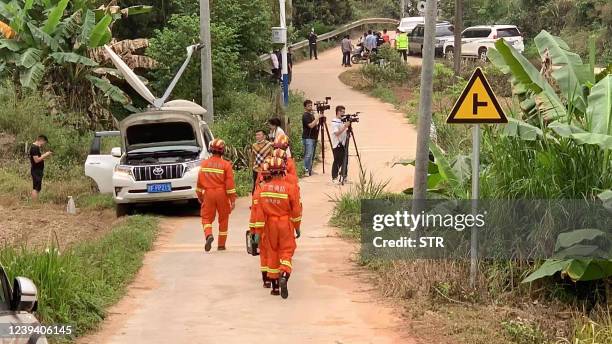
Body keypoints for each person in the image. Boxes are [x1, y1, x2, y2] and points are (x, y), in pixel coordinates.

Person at [253, 157, 302, 298]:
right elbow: (296, 211)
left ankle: (274, 288)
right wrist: (297, 227)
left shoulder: (263, 189)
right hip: (285, 223)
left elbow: (259, 214)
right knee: (287, 251)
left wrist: (257, 233)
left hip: (270, 225)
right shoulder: (290, 188)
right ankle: (284, 275)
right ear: (282, 172)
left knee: (272, 253)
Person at [196, 139, 237, 252]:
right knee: (223, 219)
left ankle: (209, 235)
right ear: (223, 151)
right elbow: (229, 184)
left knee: (206, 218)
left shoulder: (204, 164)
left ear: (210, 150)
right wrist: (232, 200)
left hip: (208, 193)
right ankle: (221, 245)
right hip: (222, 194)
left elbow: (199, 183)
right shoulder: (226, 165)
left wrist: (200, 196)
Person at [330, 106, 350, 184]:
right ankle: (334, 178)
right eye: (342, 112)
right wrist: (345, 126)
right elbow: (337, 133)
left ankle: (344, 176)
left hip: (344, 143)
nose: (343, 113)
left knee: (345, 161)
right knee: (337, 161)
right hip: (337, 144)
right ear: (338, 112)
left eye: (344, 112)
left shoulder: (342, 121)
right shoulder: (334, 122)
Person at [29, 135, 51, 200]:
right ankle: (34, 203)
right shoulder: (34, 148)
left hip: (38, 170)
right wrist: (46, 154)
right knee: (36, 188)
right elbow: (36, 160)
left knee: (37, 187)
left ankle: (35, 202)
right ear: (41, 140)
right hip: (36, 170)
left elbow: (38, 158)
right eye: (44, 142)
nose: (44, 144)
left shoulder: (36, 147)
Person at [301, 99, 319, 176]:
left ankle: (309, 169)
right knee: (308, 154)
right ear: (305, 107)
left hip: (312, 137)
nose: (310, 107)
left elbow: (315, 124)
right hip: (308, 137)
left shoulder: (311, 114)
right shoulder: (305, 115)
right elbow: (311, 125)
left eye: (311, 105)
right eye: (308, 105)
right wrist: (318, 118)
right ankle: (305, 169)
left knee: (311, 154)